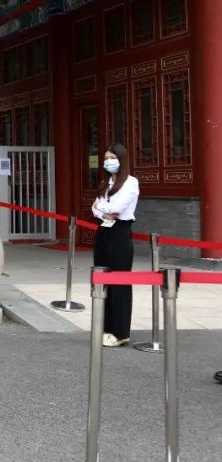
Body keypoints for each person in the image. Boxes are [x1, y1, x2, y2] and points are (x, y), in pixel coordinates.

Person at [91, 142, 140, 348]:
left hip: (120, 233)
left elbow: (118, 207)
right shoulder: (106, 182)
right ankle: (105, 327)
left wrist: (101, 207)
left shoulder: (130, 182)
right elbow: (94, 209)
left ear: (122, 159)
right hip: (104, 231)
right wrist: (103, 210)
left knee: (119, 283)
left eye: (112, 158)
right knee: (102, 280)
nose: (108, 161)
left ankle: (120, 332)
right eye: (106, 158)